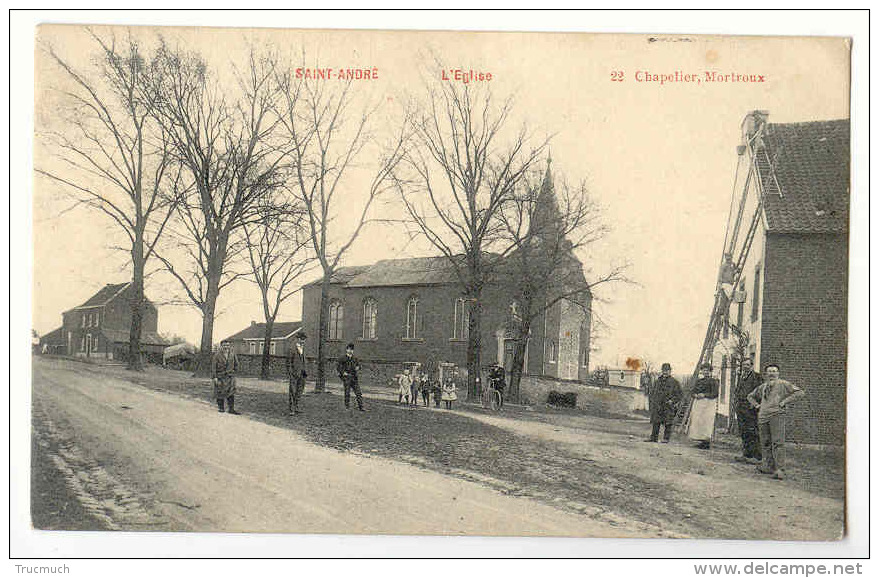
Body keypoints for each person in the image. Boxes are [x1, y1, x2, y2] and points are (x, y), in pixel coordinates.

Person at [747, 364, 805, 480]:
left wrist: (784, 402)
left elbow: (799, 393)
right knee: (765, 443)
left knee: (778, 443)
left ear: (778, 373)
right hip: (763, 417)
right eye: (769, 371)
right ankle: (768, 466)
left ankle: (780, 470)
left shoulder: (783, 384)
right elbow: (750, 396)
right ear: (766, 374)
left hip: (777, 416)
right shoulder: (763, 387)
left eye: (774, 371)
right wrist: (757, 405)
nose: (772, 373)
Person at [732, 358, 763, 464]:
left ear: (752, 366)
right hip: (741, 408)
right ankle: (746, 454)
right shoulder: (742, 377)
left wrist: (754, 405)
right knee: (743, 431)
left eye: (748, 365)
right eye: (744, 365)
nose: (745, 367)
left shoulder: (756, 377)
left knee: (753, 431)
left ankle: (757, 456)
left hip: (750, 409)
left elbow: (760, 392)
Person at [645, 362, 681, 442]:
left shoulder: (674, 382)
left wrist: (672, 401)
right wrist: (653, 402)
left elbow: (679, 395)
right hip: (658, 405)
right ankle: (653, 438)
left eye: (667, 370)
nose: (665, 372)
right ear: (662, 371)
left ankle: (666, 438)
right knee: (656, 422)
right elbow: (653, 392)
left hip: (668, 405)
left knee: (668, 422)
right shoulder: (658, 381)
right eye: (664, 370)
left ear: (670, 371)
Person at [688, 363, 720, 449]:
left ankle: (706, 441)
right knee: (699, 421)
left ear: (710, 371)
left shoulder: (713, 381)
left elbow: (715, 393)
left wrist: (704, 395)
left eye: (707, 370)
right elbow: (692, 391)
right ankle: (701, 440)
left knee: (707, 421)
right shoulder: (699, 381)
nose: (705, 372)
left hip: (709, 403)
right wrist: (695, 395)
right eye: (704, 370)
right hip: (698, 403)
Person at [212, 341, 240, 414]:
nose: (226, 347)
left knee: (231, 393)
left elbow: (236, 364)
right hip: (220, 376)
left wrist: (234, 372)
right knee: (220, 392)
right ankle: (221, 408)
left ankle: (231, 409)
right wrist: (215, 377)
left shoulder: (232, 354)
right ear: (221, 346)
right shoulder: (217, 355)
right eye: (224, 345)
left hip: (230, 376)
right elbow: (213, 367)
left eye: (227, 345)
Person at [336, 343, 364, 411]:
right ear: (346, 350)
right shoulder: (342, 358)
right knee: (347, 392)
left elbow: (359, 366)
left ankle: (361, 407)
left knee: (358, 393)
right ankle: (347, 406)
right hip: (347, 378)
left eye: (352, 349)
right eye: (349, 349)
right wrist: (343, 373)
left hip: (354, 378)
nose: (350, 351)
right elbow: (338, 367)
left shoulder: (355, 358)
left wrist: (358, 367)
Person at [286, 332, 308, 416]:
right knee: (292, 391)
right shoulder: (292, 348)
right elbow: (288, 362)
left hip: (302, 374)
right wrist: (291, 373)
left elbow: (304, 360)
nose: (303, 341)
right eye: (302, 339)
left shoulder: (303, 349)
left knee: (300, 391)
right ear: (298, 339)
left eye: (304, 340)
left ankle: (296, 407)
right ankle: (291, 409)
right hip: (294, 374)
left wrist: (306, 370)